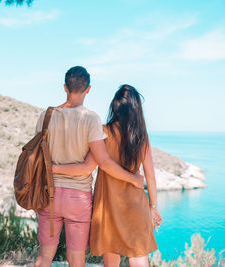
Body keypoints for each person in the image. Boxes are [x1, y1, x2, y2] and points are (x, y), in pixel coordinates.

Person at [34, 67, 144, 267]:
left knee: (44, 257)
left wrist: (52, 170)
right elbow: (94, 165)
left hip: (48, 194)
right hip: (78, 198)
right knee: (77, 260)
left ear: (65, 87)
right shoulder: (91, 119)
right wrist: (134, 179)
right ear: (89, 89)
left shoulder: (45, 116)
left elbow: (40, 160)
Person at [53, 84, 163, 267]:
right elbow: (150, 176)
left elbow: (90, 165)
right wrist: (153, 206)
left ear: (115, 107)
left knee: (111, 254)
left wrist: (54, 168)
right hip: (136, 202)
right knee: (138, 254)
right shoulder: (141, 137)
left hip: (108, 204)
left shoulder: (103, 132)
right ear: (137, 109)